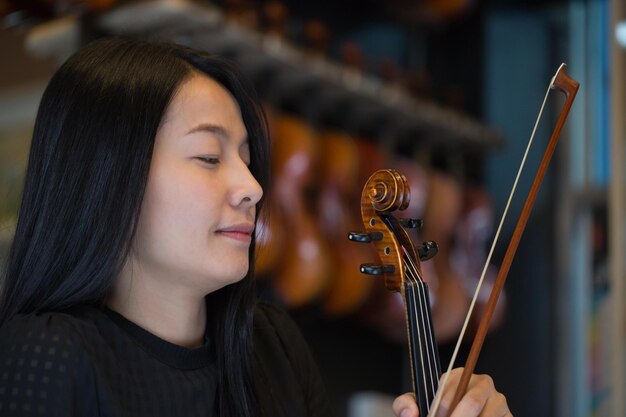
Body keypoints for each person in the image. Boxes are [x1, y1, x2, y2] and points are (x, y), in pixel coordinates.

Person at [0, 37, 510, 417]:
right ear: (108, 176)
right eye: (207, 155)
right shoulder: (44, 357)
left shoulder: (272, 348)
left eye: (246, 159)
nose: (253, 187)